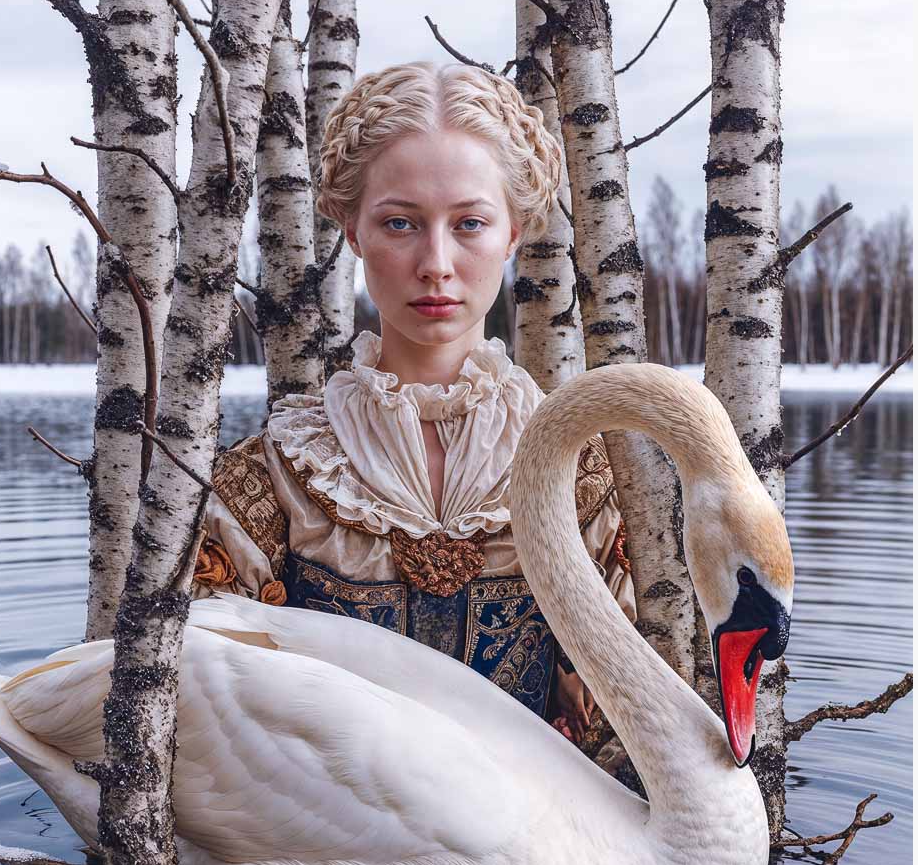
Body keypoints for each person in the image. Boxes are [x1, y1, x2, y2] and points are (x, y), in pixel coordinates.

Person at [192, 61, 635, 743]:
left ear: (513, 233)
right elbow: (200, 717)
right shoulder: (276, 479)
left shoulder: (581, 478)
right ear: (353, 231)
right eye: (400, 224)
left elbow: (624, 733)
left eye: (470, 224)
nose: (435, 262)